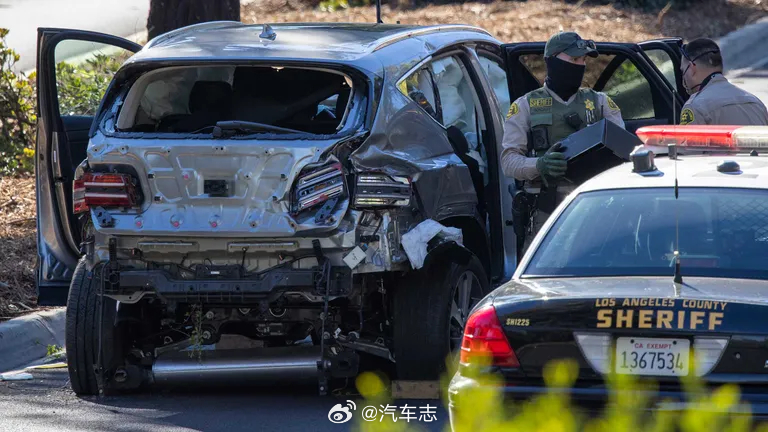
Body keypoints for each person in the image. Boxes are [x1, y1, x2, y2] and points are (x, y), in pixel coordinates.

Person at [500, 31, 626, 256]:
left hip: (595, 206)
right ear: (552, 61)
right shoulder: (525, 106)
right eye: (574, 59)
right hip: (546, 209)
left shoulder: (600, 103)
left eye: (583, 60)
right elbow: (508, 161)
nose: (580, 66)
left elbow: (625, 151)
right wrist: (539, 165)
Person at [679, 38, 768, 126]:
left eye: (683, 71)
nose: (684, 76)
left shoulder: (696, 107)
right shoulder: (755, 103)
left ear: (691, 68)